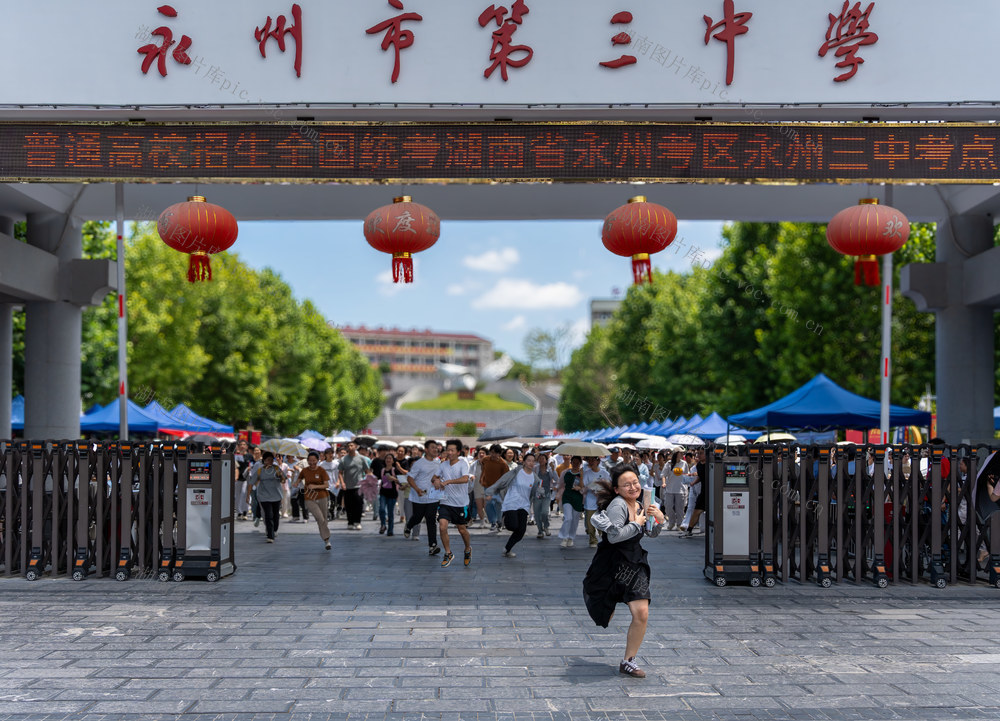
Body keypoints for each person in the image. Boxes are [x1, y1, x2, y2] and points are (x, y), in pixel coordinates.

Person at [583, 464, 666, 679]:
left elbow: (651, 533)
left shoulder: (641, 503)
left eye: (635, 482)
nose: (633, 487)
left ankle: (628, 661)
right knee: (603, 608)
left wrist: (659, 519)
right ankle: (606, 604)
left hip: (634, 564)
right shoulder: (618, 506)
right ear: (617, 489)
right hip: (612, 564)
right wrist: (637, 523)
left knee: (641, 613)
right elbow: (614, 536)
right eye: (626, 484)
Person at [491, 451, 542, 558]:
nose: (531, 463)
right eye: (528, 460)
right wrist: (491, 491)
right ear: (524, 462)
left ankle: (507, 549)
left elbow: (536, 493)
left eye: (533, 461)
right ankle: (505, 517)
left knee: (521, 531)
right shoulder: (516, 472)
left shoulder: (535, 478)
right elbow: (502, 481)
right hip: (511, 502)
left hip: (524, 504)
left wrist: (540, 492)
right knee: (513, 526)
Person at [434, 439, 473, 567]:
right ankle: (448, 553)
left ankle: (467, 548)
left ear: (458, 452)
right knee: (442, 526)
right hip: (445, 502)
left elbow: (465, 478)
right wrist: (436, 481)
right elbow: (434, 477)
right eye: (448, 450)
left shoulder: (463, 463)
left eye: (452, 450)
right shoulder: (443, 465)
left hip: (460, 503)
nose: (449, 452)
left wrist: (448, 481)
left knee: (462, 529)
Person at [404, 440, 443, 555]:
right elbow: (410, 478)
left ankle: (433, 546)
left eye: (436, 447)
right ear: (426, 450)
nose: (435, 449)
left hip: (433, 496)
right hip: (419, 496)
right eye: (432, 447)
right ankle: (409, 526)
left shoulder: (439, 463)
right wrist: (417, 489)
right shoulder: (419, 463)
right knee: (418, 517)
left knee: (431, 519)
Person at [298, 452, 332, 549]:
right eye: (310, 461)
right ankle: (327, 538)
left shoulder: (321, 470)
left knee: (324, 519)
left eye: (314, 460)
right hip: (309, 497)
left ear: (317, 460)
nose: (312, 463)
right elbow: (299, 478)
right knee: (320, 518)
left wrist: (315, 486)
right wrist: (296, 483)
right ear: (307, 461)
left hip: (322, 496)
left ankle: (326, 540)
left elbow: (326, 485)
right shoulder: (304, 470)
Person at [249, 452, 285, 543]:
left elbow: (284, 480)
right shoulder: (260, 470)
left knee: (275, 514)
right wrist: (247, 495)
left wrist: (280, 476)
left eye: (271, 460)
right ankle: (270, 535)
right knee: (268, 515)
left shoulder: (277, 468)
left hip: (276, 495)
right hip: (264, 496)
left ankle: (274, 529)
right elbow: (252, 482)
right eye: (268, 460)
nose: (270, 462)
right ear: (264, 461)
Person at [479, 444, 511, 531]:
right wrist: (482, 478)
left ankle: (499, 521)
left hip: (498, 488)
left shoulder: (503, 464)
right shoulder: (485, 459)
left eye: (495, 453)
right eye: (492, 452)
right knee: (488, 504)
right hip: (488, 486)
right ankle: (493, 522)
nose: (493, 455)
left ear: (499, 454)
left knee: (498, 505)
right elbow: (483, 468)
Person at [338, 441, 368, 530]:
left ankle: (357, 522)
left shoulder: (362, 458)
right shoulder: (344, 459)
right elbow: (340, 472)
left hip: (359, 486)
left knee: (358, 504)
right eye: (348, 446)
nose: (350, 447)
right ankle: (350, 522)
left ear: (356, 446)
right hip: (347, 486)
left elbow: (367, 471)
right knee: (349, 505)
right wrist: (342, 482)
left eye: (352, 445)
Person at [583, 456, 611, 547]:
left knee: (602, 522)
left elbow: (609, 485)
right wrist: (591, 488)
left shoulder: (605, 473)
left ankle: (603, 538)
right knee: (590, 523)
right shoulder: (586, 473)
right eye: (589, 460)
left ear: (598, 461)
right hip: (590, 502)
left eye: (593, 460)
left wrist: (602, 490)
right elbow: (583, 486)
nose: (591, 462)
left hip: (601, 502)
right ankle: (592, 540)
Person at [559, 456, 585, 548]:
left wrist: (581, 479)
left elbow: (584, 487)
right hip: (567, 497)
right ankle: (564, 537)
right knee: (568, 518)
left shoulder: (583, 473)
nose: (575, 464)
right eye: (573, 462)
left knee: (575, 519)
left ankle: (571, 537)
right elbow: (561, 484)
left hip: (577, 498)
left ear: (580, 463)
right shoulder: (565, 472)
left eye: (577, 463)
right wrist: (558, 495)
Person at [662, 450, 687, 531]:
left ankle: (679, 524)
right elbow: (663, 475)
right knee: (668, 507)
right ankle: (671, 522)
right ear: (676, 454)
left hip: (681, 489)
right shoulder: (668, 463)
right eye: (681, 453)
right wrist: (664, 483)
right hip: (670, 489)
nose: (682, 454)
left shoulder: (684, 463)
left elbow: (686, 474)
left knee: (680, 508)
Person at [378, 454, 402, 536]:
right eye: (387, 458)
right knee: (381, 509)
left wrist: (394, 479)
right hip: (383, 492)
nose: (388, 460)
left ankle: (390, 530)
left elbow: (401, 481)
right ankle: (383, 525)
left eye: (390, 458)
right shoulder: (382, 470)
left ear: (393, 460)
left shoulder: (394, 470)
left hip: (392, 494)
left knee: (390, 512)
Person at [533, 451, 555, 539]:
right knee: (537, 513)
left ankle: (546, 526)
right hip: (537, 493)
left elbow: (556, 479)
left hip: (546, 493)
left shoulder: (549, 469)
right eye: (540, 459)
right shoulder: (535, 468)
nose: (541, 460)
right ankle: (540, 530)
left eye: (543, 459)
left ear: (546, 460)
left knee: (544, 512)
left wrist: (553, 470)